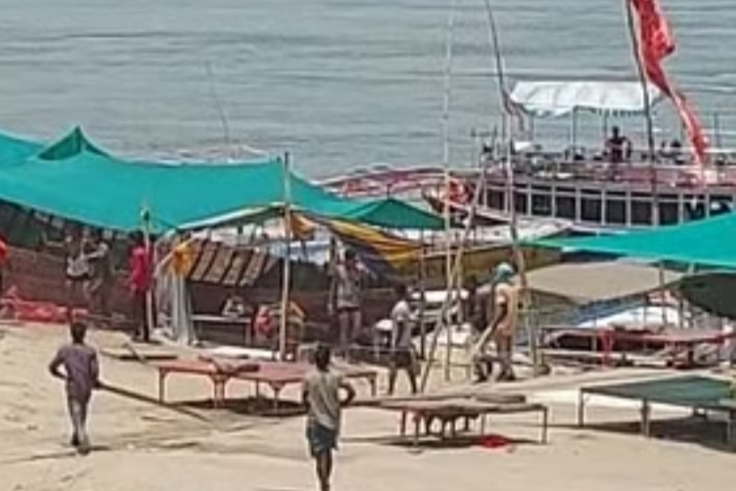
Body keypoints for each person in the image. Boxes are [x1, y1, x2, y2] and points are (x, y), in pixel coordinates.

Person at [302, 345, 356, 491]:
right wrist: (343, 403)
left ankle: (323, 482)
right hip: (332, 421)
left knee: (319, 455)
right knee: (328, 452)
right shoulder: (336, 376)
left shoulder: (309, 377)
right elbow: (351, 391)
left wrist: (309, 409)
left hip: (315, 420)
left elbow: (304, 398)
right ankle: (325, 482)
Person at [48, 322, 100, 455]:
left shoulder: (65, 350)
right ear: (84, 334)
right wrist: (94, 382)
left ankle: (82, 438)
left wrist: (62, 376)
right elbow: (94, 370)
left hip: (73, 384)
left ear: (71, 334)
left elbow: (52, 367)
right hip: (86, 385)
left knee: (75, 410)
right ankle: (77, 435)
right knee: (82, 409)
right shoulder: (90, 351)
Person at [471, 262, 520, 382]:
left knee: (500, 350)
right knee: (507, 350)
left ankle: (507, 372)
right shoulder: (513, 289)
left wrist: (494, 324)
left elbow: (501, 308)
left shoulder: (500, 288)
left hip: (502, 324)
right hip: (512, 323)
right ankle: (506, 371)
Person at [387, 284, 418, 395]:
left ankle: (391, 390)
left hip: (399, 343)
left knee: (393, 365)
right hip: (405, 342)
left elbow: (400, 325)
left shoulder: (399, 307)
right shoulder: (405, 306)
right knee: (407, 366)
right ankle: (414, 388)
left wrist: (396, 343)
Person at [333, 250, 364, 359]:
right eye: (352, 260)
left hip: (355, 302)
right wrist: (331, 302)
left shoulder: (357, 270)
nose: (353, 262)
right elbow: (334, 285)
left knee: (357, 326)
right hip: (343, 301)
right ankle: (344, 352)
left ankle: (350, 348)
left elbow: (360, 283)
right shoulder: (339, 270)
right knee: (344, 328)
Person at [128, 231, 152, 343]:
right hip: (144, 284)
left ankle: (136, 331)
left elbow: (138, 270)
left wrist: (131, 280)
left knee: (135, 310)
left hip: (138, 284)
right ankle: (145, 333)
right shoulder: (145, 252)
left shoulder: (137, 253)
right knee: (143, 310)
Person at [86, 230, 113, 318]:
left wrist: (88, 256)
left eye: (92, 237)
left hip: (106, 277)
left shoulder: (103, 246)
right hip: (101, 276)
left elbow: (100, 255)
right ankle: (102, 315)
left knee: (94, 293)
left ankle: (93, 313)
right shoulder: (96, 246)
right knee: (102, 298)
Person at [64, 230, 91, 322]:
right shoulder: (68, 241)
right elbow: (65, 251)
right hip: (72, 270)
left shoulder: (84, 243)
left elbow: (94, 251)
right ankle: (69, 312)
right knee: (69, 291)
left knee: (85, 293)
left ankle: (89, 312)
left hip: (83, 271)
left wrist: (88, 257)